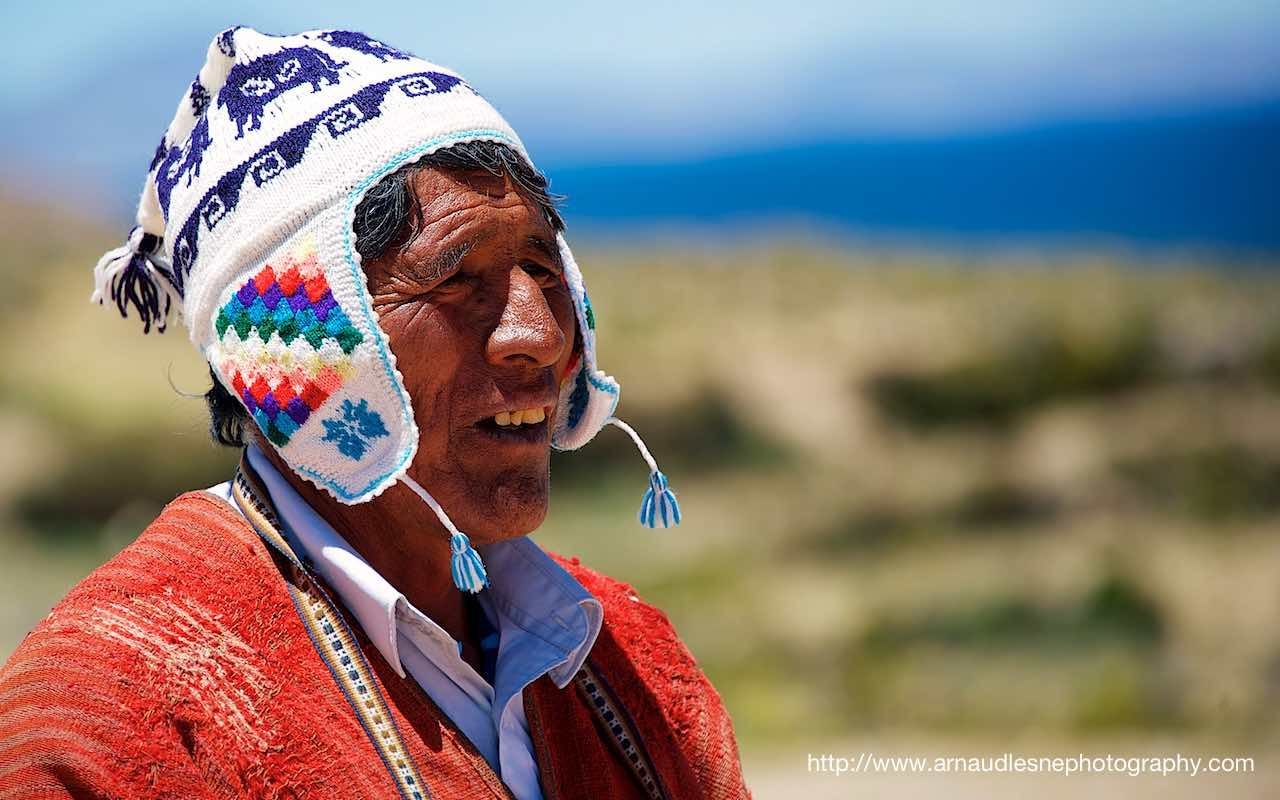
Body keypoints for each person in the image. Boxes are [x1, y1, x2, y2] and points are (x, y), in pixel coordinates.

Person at [0, 27, 748, 799]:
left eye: (540, 264)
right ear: (299, 352)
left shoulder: (630, 659)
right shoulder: (107, 718)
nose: (542, 332)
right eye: (457, 278)